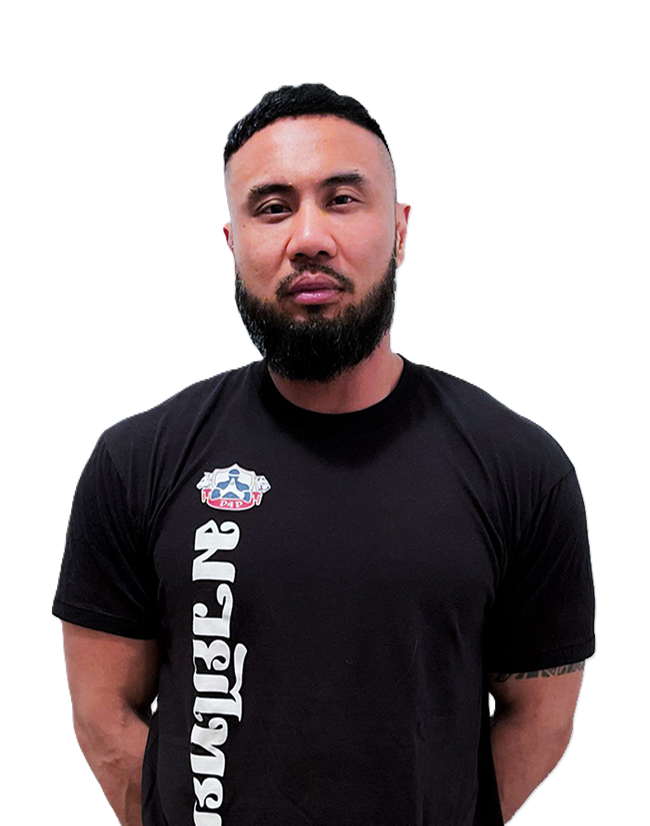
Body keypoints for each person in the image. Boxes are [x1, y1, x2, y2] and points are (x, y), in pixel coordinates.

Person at [52, 82, 597, 826]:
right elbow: (102, 714)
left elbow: (541, 717)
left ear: (400, 229)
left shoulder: (522, 469)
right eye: (273, 207)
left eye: (342, 200)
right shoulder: (135, 461)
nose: (308, 237)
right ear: (233, 241)